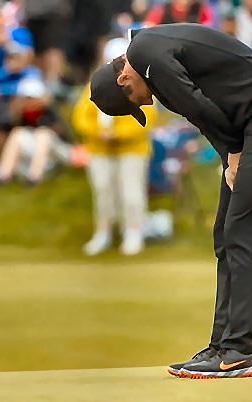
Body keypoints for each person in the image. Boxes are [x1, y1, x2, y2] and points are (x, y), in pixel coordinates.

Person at [89, 24, 252, 378]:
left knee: (243, 232)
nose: (146, 102)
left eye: (135, 99)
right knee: (225, 235)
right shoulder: (151, 52)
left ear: (123, 79)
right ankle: (222, 346)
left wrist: (234, 150)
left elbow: (195, 105)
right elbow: (204, 112)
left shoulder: (146, 52)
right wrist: (232, 154)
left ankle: (240, 351)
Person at [73, 38, 157, 256]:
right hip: (99, 149)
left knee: (132, 193)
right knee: (103, 193)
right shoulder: (96, 84)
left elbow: (146, 118)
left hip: (132, 149)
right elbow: (81, 117)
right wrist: (98, 133)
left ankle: (134, 233)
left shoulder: (140, 84)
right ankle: (103, 233)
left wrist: (117, 135)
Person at [0, 77, 72, 184]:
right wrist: (17, 113)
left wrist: (41, 115)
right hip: (31, 151)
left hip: (56, 150)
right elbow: (6, 128)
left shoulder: (49, 109)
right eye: (27, 98)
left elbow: (63, 135)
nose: (30, 101)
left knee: (43, 133)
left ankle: (35, 176)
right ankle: (4, 176)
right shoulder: (19, 113)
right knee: (17, 132)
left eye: (32, 98)